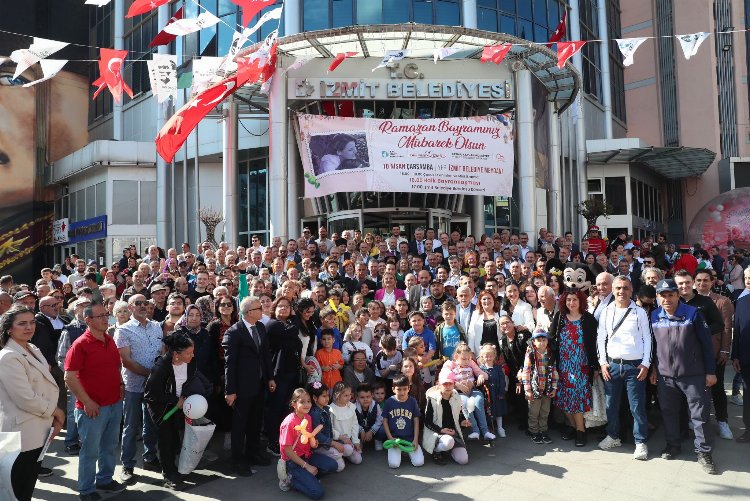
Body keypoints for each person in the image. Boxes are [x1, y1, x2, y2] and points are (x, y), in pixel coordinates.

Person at [650, 279, 718, 474]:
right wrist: (654, 368)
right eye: (662, 295)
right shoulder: (654, 316)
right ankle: (673, 445)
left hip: (693, 375)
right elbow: (653, 347)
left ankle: (704, 452)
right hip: (665, 376)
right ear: (658, 297)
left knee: (699, 415)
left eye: (670, 294)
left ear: (678, 295)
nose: (667, 299)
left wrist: (711, 372)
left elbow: (706, 345)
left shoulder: (693, 314)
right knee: (669, 413)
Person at [0, 305, 66, 501]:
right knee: (16, 491)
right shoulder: (8, 357)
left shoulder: (32, 348)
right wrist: (56, 412)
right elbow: (25, 398)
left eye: (32, 322)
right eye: (22, 323)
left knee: (26, 487)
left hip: (39, 428)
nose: (29, 327)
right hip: (21, 435)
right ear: (9, 328)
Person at [64, 303, 127, 499]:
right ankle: (86, 489)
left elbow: (116, 367)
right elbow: (69, 377)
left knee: (109, 447)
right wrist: (87, 402)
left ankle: (105, 480)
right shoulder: (81, 344)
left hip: (114, 404)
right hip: (92, 408)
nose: (105, 318)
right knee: (90, 452)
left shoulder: (109, 339)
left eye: (106, 315)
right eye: (100, 316)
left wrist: (121, 386)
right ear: (88, 320)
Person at [144, 333, 211, 490]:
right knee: (166, 440)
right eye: (189, 352)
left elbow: (190, 379)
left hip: (180, 406)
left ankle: (174, 466)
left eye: (192, 351)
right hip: (161, 409)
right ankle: (168, 474)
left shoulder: (190, 362)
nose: (192, 355)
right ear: (176, 354)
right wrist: (175, 400)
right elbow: (150, 394)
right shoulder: (161, 367)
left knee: (175, 438)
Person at [596, 276, 652, 460]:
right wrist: (603, 363)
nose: (621, 291)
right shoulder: (606, 311)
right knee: (612, 405)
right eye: (618, 288)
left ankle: (641, 442)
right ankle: (613, 436)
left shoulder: (639, 312)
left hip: (634, 367)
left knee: (637, 407)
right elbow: (601, 338)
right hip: (612, 366)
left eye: (625, 288)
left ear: (631, 290)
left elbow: (648, 339)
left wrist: (646, 364)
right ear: (613, 290)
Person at [223, 296, 275, 475]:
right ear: (250, 312)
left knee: (255, 422)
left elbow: (265, 355)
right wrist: (230, 391)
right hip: (241, 388)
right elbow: (230, 364)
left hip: (259, 384)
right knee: (240, 425)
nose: (263, 309)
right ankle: (237, 461)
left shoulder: (260, 327)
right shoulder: (234, 332)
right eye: (259, 308)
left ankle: (253, 454)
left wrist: (270, 378)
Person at [114, 294, 164, 483]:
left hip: (154, 387)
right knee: (131, 426)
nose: (143, 306)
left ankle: (150, 457)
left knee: (151, 424)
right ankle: (127, 465)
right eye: (138, 303)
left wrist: (158, 376)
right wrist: (150, 375)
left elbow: (162, 352)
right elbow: (125, 360)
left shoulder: (157, 326)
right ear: (130, 308)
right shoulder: (123, 330)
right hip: (134, 386)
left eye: (146, 303)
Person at [549, 289, 598, 447]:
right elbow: (551, 338)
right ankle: (572, 426)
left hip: (581, 367)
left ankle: (581, 431)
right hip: (563, 366)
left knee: (576, 399)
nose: (571, 303)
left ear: (580, 301)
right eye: (568, 299)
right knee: (563, 399)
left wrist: (595, 366)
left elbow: (594, 345)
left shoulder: (588, 319)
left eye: (574, 299)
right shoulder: (560, 317)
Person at [694, 269, 735, 441]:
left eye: (705, 280)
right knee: (696, 390)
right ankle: (696, 422)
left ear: (712, 282)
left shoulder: (722, 301)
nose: (702, 283)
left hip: (715, 352)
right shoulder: (688, 299)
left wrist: (725, 350)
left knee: (717, 389)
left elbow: (726, 328)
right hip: (693, 354)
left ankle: (722, 421)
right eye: (699, 280)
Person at [279, 388, 338, 498]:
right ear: (294, 404)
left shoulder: (308, 417)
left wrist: (314, 442)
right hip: (293, 462)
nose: (307, 404)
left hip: (307, 455)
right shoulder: (289, 422)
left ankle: (307, 477)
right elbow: (288, 451)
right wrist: (306, 466)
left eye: (308, 401)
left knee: (333, 465)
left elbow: (308, 437)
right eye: (302, 402)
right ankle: (291, 479)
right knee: (318, 493)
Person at [265, 296, 303, 456]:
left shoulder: (289, 324)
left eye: (287, 306)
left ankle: (284, 439)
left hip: (291, 371)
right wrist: (294, 316)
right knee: (275, 407)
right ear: (274, 308)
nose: (284, 308)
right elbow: (294, 331)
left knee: (286, 408)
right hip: (278, 373)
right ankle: (271, 441)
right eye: (281, 306)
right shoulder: (273, 324)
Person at [441, 343, 495, 441]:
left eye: (468, 358)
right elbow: (444, 377)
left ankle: (485, 431)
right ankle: (475, 431)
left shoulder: (471, 363)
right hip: (459, 392)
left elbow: (482, 373)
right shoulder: (451, 364)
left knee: (478, 401)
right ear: (456, 356)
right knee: (466, 403)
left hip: (473, 390)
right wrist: (457, 384)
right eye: (463, 359)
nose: (466, 361)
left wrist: (481, 376)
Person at [423, 370, 469, 465]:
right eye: (445, 384)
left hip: (453, 432)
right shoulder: (432, 399)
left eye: (450, 384)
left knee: (463, 460)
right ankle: (436, 450)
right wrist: (441, 430)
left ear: (453, 384)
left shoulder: (456, 396)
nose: (448, 386)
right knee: (448, 441)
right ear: (439, 384)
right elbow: (427, 421)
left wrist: (463, 422)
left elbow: (459, 414)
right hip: (437, 432)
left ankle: (447, 449)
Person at [521, 330, 559, 445]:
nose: (542, 343)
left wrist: (554, 387)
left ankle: (543, 431)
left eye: (544, 340)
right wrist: (527, 390)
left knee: (545, 412)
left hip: (547, 389)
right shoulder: (531, 354)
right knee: (534, 412)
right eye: (539, 340)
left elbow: (554, 371)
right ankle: (534, 431)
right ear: (533, 341)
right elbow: (526, 372)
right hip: (534, 389)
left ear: (547, 341)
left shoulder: (551, 354)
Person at [380, 375, 424, 469]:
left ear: (409, 388)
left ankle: (405, 451)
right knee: (394, 465)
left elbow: (416, 420)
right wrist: (390, 439)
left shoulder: (412, 401)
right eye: (399, 389)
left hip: (410, 438)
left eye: (405, 389)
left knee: (419, 463)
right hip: (395, 439)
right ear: (393, 389)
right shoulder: (389, 401)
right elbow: (385, 421)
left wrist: (416, 439)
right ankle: (400, 451)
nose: (402, 392)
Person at [328, 381, 363, 465]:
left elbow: (354, 425)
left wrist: (355, 441)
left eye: (350, 395)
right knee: (346, 453)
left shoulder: (350, 406)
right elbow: (329, 428)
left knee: (358, 460)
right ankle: (338, 455)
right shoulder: (331, 409)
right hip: (337, 441)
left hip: (349, 441)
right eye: (346, 395)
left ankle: (346, 453)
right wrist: (341, 438)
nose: (349, 397)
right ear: (337, 395)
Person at [732, 293, 750, 443]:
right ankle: (748, 431)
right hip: (746, 358)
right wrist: (735, 355)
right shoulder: (742, 302)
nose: (749, 280)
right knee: (748, 396)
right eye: (746, 278)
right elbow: (736, 329)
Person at [478, 343, 507, 438]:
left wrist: (501, 392)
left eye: (491, 356)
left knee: (498, 412)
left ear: (494, 356)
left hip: (497, 394)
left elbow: (502, 381)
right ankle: (489, 429)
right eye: (486, 356)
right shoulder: (481, 369)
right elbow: (479, 382)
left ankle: (500, 427)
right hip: (487, 395)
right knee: (488, 412)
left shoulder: (498, 368)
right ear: (482, 356)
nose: (489, 358)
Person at [354, 383, 383, 449]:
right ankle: (359, 440)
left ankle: (378, 440)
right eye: (362, 397)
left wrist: (371, 431)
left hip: (372, 428)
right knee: (351, 428)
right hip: (360, 429)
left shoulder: (376, 405)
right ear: (357, 398)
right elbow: (353, 422)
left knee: (382, 429)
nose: (365, 399)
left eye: (368, 397)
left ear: (372, 396)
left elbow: (380, 420)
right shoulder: (353, 407)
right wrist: (361, 430)